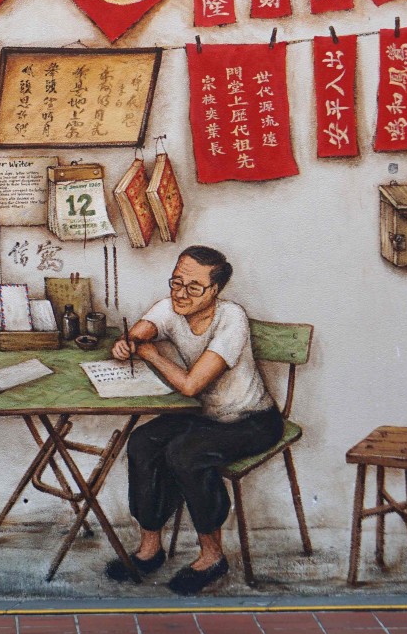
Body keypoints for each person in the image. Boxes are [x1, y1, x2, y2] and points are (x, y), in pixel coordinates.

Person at [106, 246, 283, 595]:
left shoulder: (231, 318)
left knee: (185, 454)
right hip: (205, 417)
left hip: (252, 420)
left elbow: (190, 385)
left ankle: (212, 556)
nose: (180, 294)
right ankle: (150, 548)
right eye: (176, 282)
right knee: (143, 442)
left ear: (214, 290)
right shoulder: (171, 305)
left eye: (193, 287)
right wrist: (128, 343)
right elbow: (140, 331)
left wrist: (152, 354)